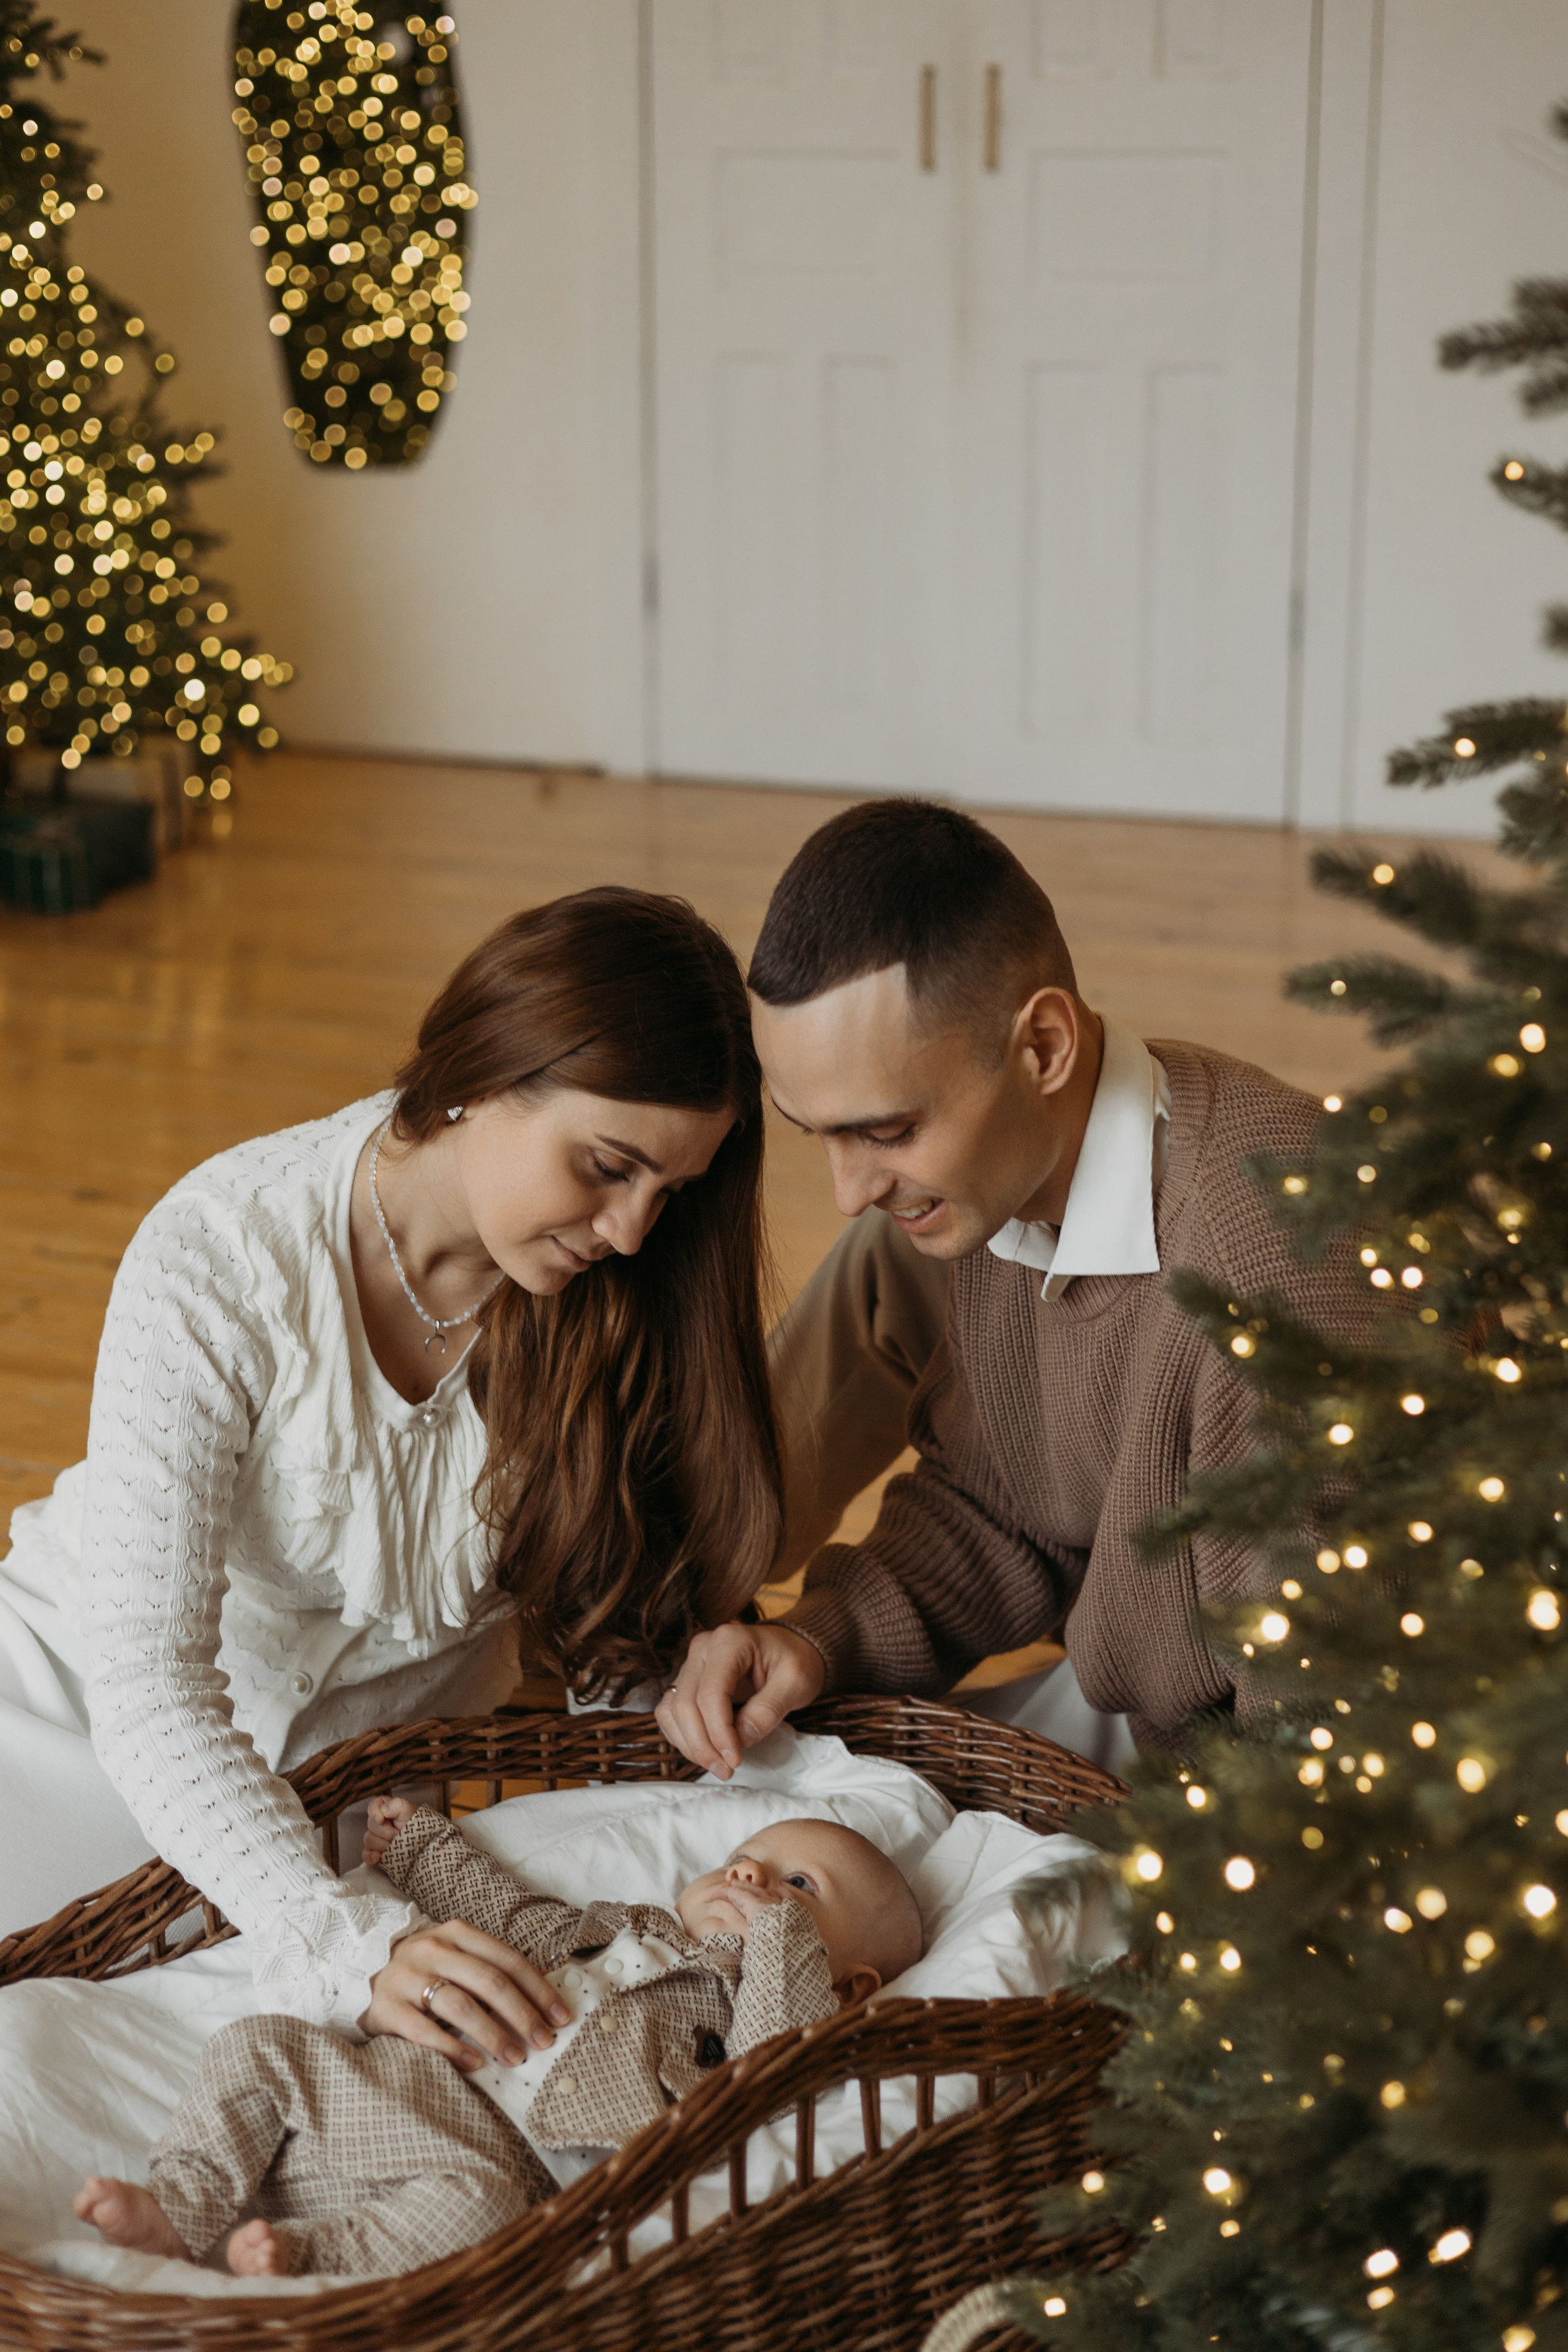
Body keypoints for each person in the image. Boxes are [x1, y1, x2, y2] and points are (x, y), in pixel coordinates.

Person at [0, 887, 782, 2086]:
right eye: (606, 1167)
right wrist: (333, 1937)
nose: (629, 1230)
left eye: (665, 1192)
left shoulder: (616, 1297)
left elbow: (609, 1624)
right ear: (481, 1070)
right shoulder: (222, 1253)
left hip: (353, 1821)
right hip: (78, 1727)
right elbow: (148, 1680)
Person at [658, 799, 1365, 1779]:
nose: (849, 1191)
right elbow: (1004, 1505)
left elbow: (1334, 1737)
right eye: (815, 1130)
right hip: (1158, 1713)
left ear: (1044, 1048)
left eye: (889, 1131)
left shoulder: (1277, 1276)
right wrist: (813, 1642)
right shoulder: (1003, 1193)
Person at [75, 1801, 921, 2278]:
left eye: (799, 1885)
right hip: (383, 2086)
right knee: (259, 2044)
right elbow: (508, 1914)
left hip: (474, 2162)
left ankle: (298, 2260)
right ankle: (181, 2209)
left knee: (486, 2215)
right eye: (745, 1858)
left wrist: (777, 1936)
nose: (750, 1877)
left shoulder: (740, 2022)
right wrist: (421, 1848)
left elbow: (773, 2065)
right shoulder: (617, 1928)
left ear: (847, 1986)